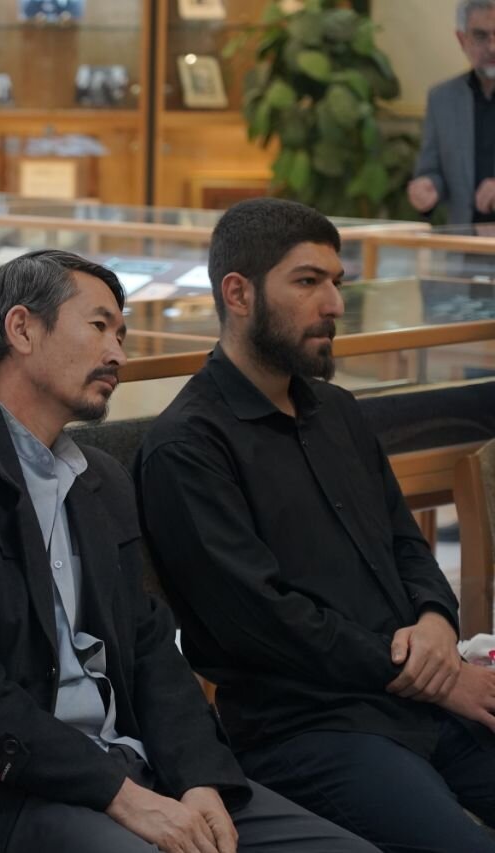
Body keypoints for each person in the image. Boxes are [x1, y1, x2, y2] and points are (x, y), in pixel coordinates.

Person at [0, 249, 373, 853]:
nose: (118, 354)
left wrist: (200, 779)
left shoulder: (101, 478)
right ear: (22, 329)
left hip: (138, 768)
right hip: (24, 789)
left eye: (122, 335)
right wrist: (120, 795)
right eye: (99, 326)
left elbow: (150, 645)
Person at [139, 197, 495, 853]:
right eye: (308, 281)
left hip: (417, 699)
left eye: (337, 282)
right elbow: (266, 622)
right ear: (238, 294)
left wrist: (437, 622)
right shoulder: (186, 447)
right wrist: (437, 675)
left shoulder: (338, 410)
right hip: (309, 727)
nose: (333, 304)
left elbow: (406, 543)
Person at [408, 0, 495, 225]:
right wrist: (428, 186)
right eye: (481, 36)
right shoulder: (442, 98)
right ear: (461, 39)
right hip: (462, 240)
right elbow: (431, 170)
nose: (492, 47)